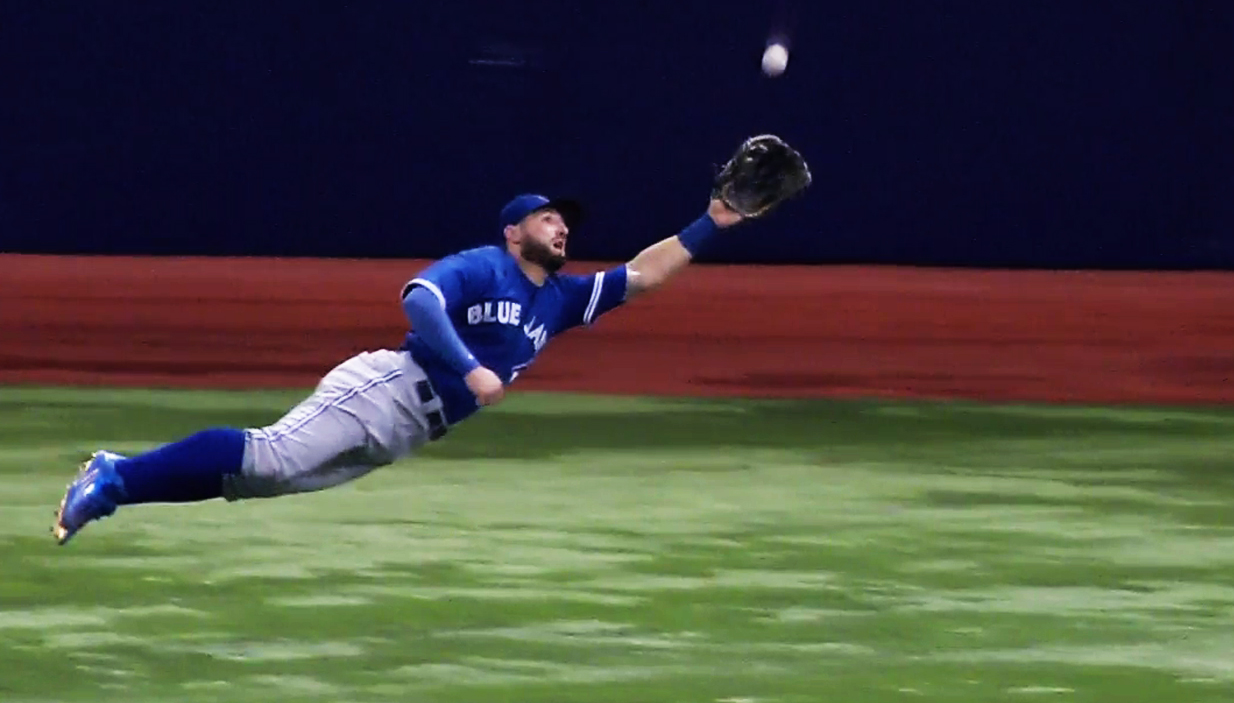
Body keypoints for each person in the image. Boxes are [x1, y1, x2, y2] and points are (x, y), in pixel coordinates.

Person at [52, 192, 752, 545]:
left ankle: (117, 477)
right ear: (514, 232)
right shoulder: (486, 265)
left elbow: (644, 275)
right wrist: (471, 367)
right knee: (267, 456)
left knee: (251, 479)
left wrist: (713, 220)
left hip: (410, 428)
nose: (560, 227)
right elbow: (418, 297)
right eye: (545, 219)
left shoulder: (562, 299)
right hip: (387, 386)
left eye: (565, 222)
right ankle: (115, 479)